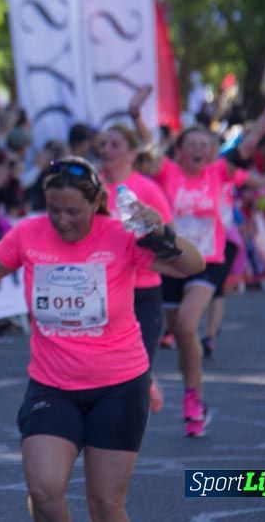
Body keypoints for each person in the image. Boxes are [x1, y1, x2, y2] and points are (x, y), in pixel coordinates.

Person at [0, 157, 204, 522]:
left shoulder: (120, 234)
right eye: (54, 210)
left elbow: (192, 266)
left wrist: (161, 231)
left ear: (95, 203)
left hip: (119, 386)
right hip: (52, 386)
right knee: (43, 492)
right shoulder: (28, 234)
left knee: (105, 505)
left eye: (73, 211)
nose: (62, 220)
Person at [147, 91, 265, 437]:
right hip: (170, 262)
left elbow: (250, 144)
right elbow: (143, 144)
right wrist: (138, 113)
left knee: (185, 326)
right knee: (181, 337)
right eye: (191, 144)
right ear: (179, 150)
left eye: (204, 144)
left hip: (206, 261)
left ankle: (193, 400)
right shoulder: (167, 173)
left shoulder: (217, 172)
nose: (197, 149)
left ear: (211, 151)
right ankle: (191, 389)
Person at [98, 123, 173, 412]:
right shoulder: (94, 188)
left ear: (132, 153)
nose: (106, 150)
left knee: (138, 364)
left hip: (143, 288)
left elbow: (169, 231)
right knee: (107, 367)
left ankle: (144, 384)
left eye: (114, 145)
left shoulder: (146, 188)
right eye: (103, 144)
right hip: (103, 290)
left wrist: (148, 231)